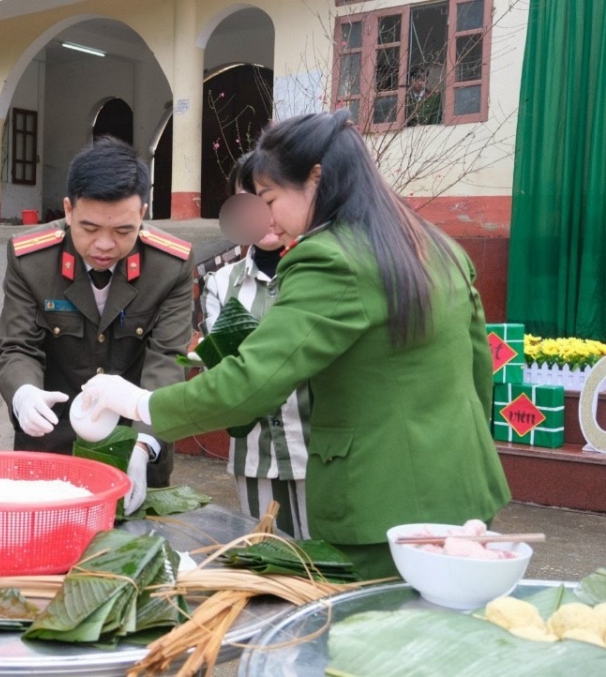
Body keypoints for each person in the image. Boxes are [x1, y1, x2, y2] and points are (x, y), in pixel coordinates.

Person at [82, 110, 510, 577]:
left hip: (383, 511)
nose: (264, 217)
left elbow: (251, 383)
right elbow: (476, 368)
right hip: (464, 491)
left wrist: (143, 404)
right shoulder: (433, 243)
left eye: (268, 197)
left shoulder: (331, 259)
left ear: (316, 179)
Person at [0, 137, 195, 515]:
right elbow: (18, 345)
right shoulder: (32, 261)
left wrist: (143, 446)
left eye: (123, 231)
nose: (104, 245)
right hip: (50, 447)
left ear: (143, 214)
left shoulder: (169, 267)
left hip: (133, 441)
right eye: (88, 228)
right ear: (68, 210)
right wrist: (23, 395)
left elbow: (166, 359)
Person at [202, 153, 312, 539]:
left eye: (268, 200)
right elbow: (223, 370)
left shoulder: (321, 273)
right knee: (269, 565)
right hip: (254, 458)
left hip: (321, 455)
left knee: (328, 566)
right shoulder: (220, 283)